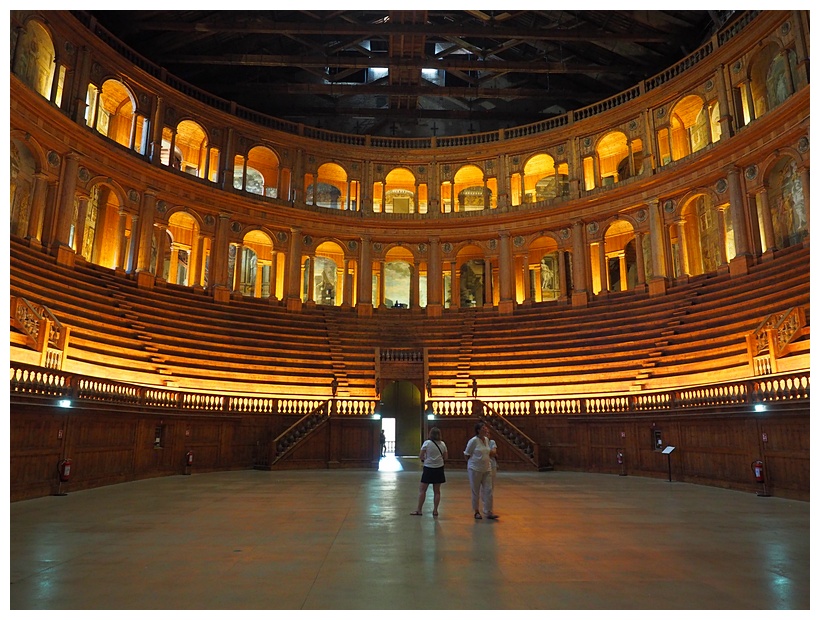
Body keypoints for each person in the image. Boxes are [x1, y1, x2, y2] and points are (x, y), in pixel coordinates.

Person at [464, 421, 498, 520]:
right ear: (478, 430)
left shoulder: (487, 440)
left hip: (487, 468)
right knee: (475, 490)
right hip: (475, 469)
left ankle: (488, 511)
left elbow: (489, 452)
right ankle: (476, 511)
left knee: (488, 490)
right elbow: (466, 454)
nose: (486, 429)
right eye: (483, 427)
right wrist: (472, 463)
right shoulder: (473, 441)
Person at [411, 427, 448, 517]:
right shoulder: (442, 444)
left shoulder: (427, 443)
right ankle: (435, 510)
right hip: (439, 468)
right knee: (437, 491)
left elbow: (421, 456)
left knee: (422, 490)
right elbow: (445, 457)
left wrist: (426, 460)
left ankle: (419, 510)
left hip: (428, 468)